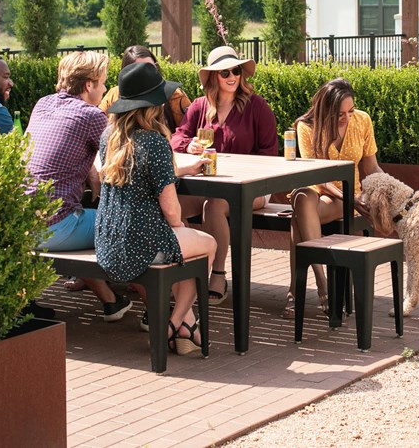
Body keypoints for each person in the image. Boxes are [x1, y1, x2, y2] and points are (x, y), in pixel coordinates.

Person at [96, 61, 216, 353]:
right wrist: (178, 228)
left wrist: (181, 174)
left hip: (107, 241)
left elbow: (137, 176)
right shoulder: (155, 142)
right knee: (207, 245)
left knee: (184, 246)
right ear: (154, 104)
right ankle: (174, 324)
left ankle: (188, 327)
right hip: (141, 243)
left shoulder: (109, 138)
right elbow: (173, 212)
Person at [26, 51, 131, 321]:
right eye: (104, 82)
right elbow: (125, 161)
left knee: (84, 212)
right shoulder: (91, 115)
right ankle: (157, 312)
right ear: (88, 85)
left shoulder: (43, 104)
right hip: (55, 228)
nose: (106, 88)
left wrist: (90, 172)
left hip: (22, 224)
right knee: (127, 225)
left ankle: (111, 302)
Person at [170, 46, 278, 305]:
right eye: (225, 72)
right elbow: (178, 137)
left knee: (215, 206)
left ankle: (217, 274)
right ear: (213, 77)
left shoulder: (257, 107)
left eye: (236, 70)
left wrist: (242, 168)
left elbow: (270, 154)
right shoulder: (198, 106)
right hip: (209, 182)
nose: (232, 76)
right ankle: (180, 271)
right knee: (172, 205)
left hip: (252, 187)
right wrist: (190, 146)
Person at [284, 78, 383, 319]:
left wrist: (393, 191)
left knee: (299, 215)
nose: (347, 118)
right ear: (325, 110)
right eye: (340, 114)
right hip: (323, 193)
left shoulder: (363, 120)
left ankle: (296, 290)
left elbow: (371, 167)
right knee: (302, 198)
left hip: (351, 195)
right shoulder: (307, 127)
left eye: (350, 111)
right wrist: (350, 199)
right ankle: (322, 283)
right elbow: (317, 178)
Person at [98, 45, 192, 132]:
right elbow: (100, 130)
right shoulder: (114, 95)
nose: (147, 73)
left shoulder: (175, 96)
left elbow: (188, 132)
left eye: (151, 67)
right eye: (140, 70)